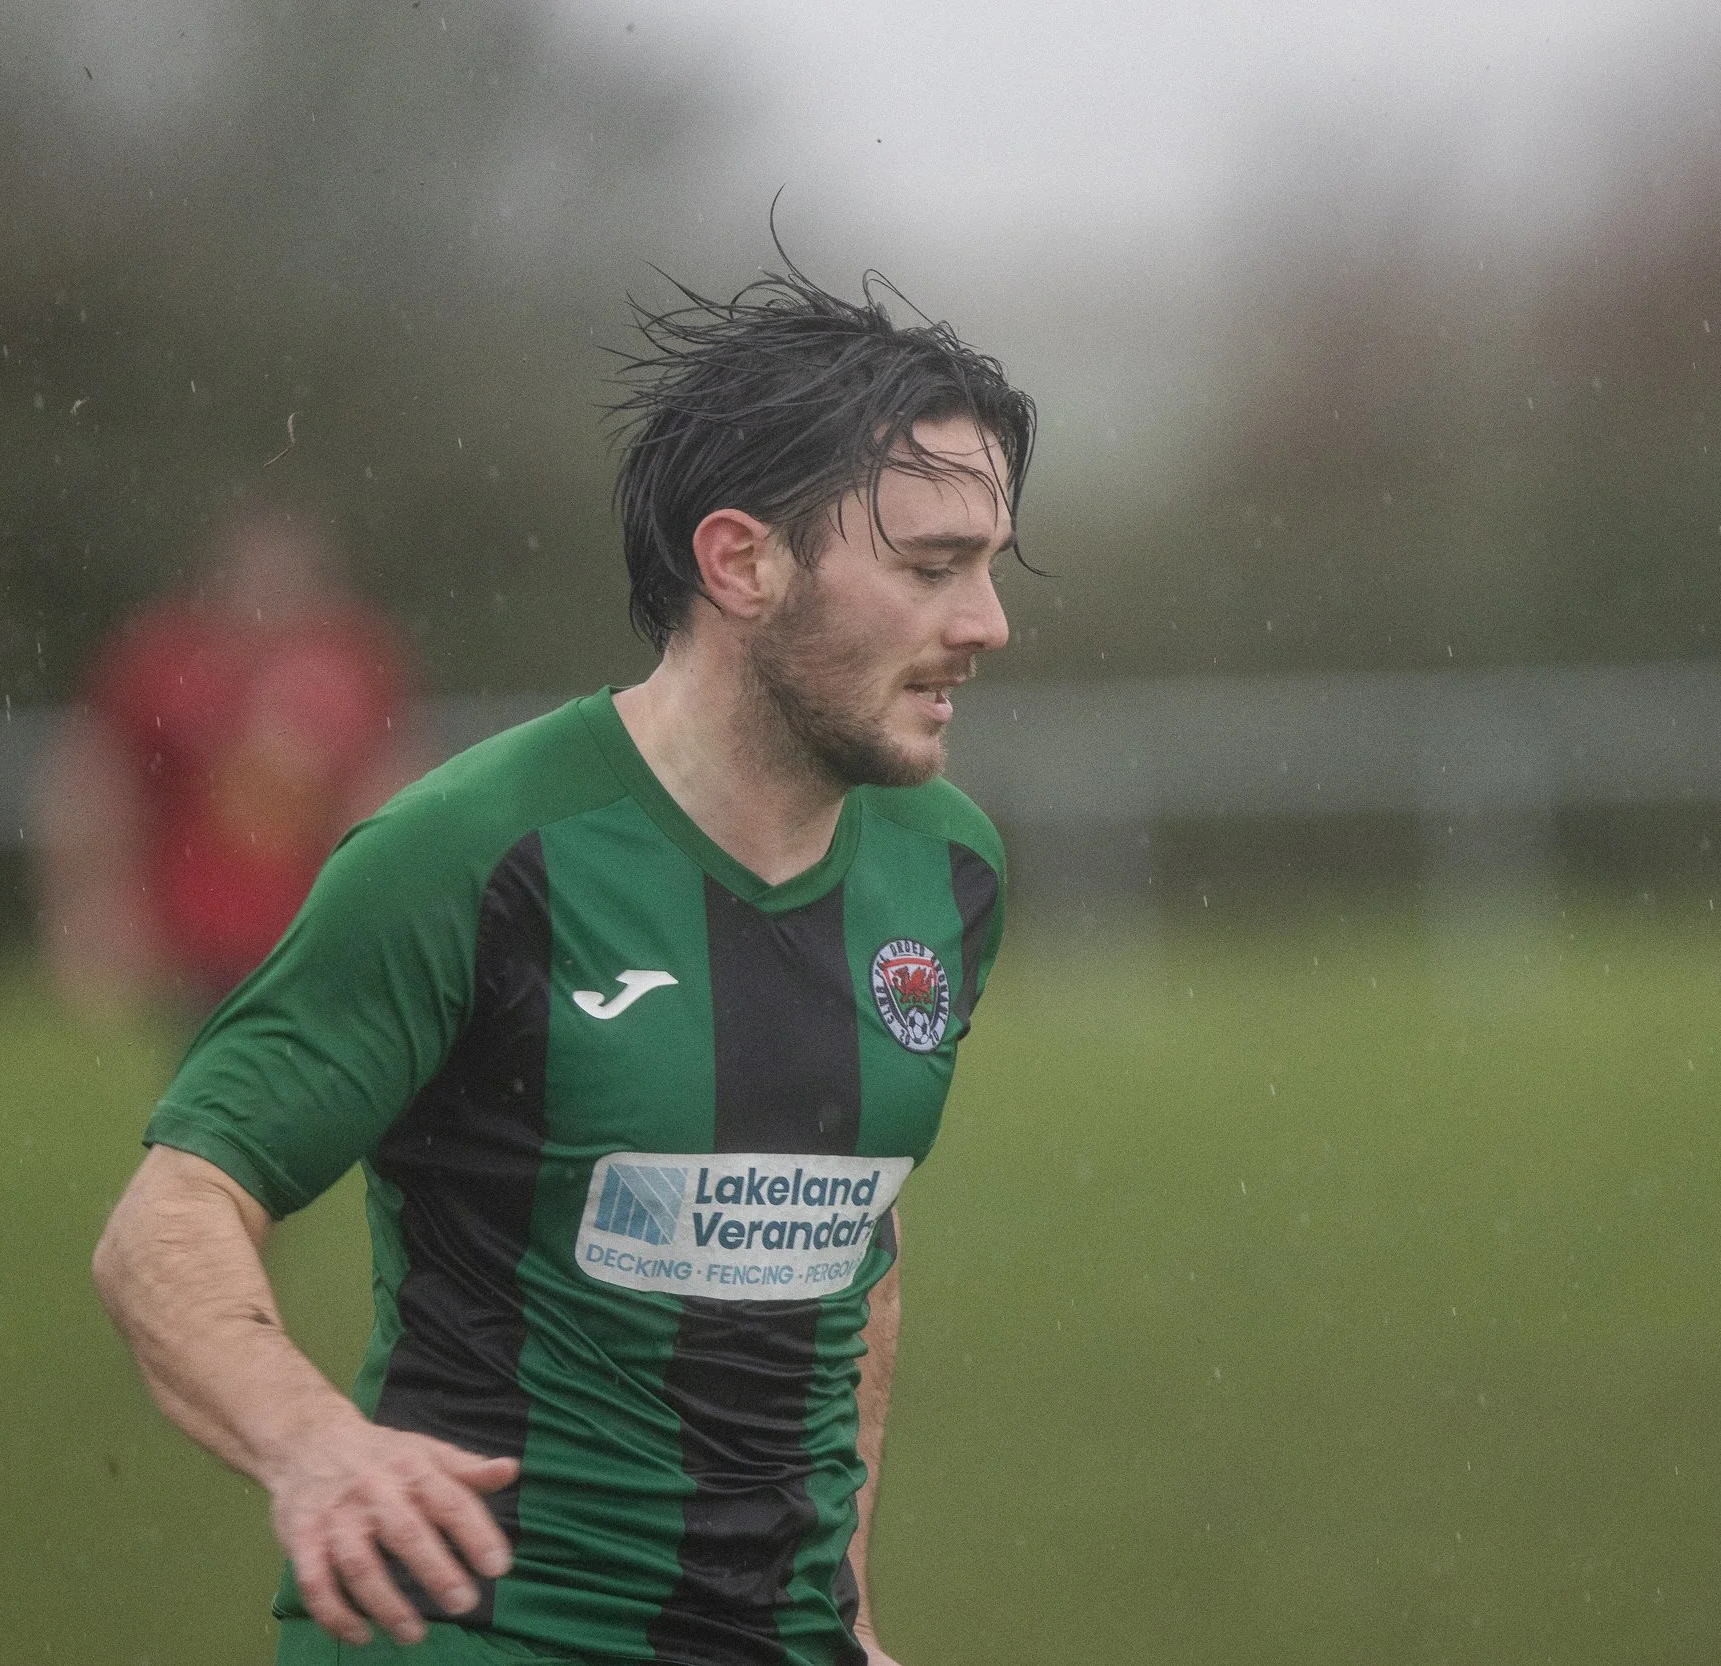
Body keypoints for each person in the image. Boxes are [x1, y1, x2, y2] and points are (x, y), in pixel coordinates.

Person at [90, 266, 1035, 1666]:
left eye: (993, 564)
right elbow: (169, 1220)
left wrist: (848, 1607)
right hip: (480, 1633)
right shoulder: (472, 855)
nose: (988, 623)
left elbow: (854, 1244)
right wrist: (316, 1449)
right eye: (930, 565)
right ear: (742, 562)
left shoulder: (946, 871)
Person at [36, 505, 420, 1021]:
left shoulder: (350, 659)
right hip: (188, 946)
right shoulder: (164, 657)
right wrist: (90, 905)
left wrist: (386, 912)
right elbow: (94, 788)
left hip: (312, 936)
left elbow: (391, 793)